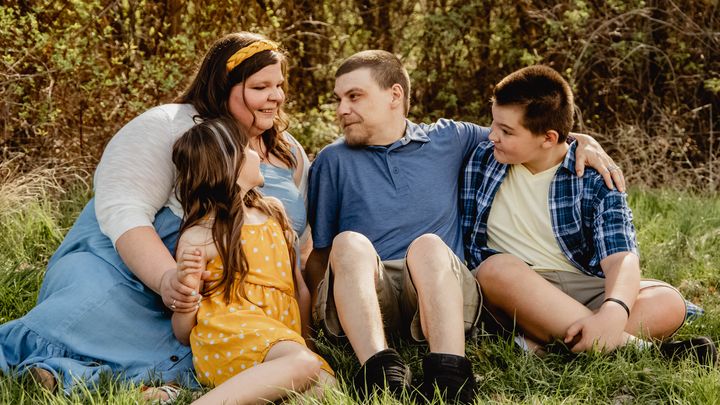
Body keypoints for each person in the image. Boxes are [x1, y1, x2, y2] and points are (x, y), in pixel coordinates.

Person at [0, 32, 312, 398]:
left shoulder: (289, 150)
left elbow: (299, 241)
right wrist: (167, 280)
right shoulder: (173, 126)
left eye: (279, 85)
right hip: (131, 270)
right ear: (222, 86)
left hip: (236, 298)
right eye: (260, 87)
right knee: (100, 319)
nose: (276, 96)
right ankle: (62, 368)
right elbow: (123, 211)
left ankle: (104, 379)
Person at [305, 50, 624, 403]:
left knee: (428, 245)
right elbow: (322, 254)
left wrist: (583, 140)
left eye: (354, 96)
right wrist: (309, 330)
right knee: (348, 242)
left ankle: (450, 373)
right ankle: (380, 370)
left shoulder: (450, 140)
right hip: (368, 292)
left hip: (440, 289)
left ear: (395, 95)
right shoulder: (332, 161)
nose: (341, 109)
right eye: (338, 99)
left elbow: (529, 132)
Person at [461, 65, 716, 363]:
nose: (492, 135)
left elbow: (621, 257)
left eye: (506, 131)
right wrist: (582, 137)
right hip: (510, 291)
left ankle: (542, 345)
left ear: (548, 138)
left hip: (578, 283)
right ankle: (642, 350)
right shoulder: (482, 156)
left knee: (668, 301)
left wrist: (614, 310)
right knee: (497, 269)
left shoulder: (595, 177)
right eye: (493, 124)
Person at [169, 117, 334, 404]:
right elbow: (184, 331)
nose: (257, 153)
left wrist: (306, 343)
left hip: (279, 343)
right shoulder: (201, 236)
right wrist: (186, 292)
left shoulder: (274, 214)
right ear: (230, 165)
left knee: (327, 389)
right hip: (228, 341)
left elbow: (299, 290)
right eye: (247, 148)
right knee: (304, 365)